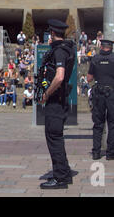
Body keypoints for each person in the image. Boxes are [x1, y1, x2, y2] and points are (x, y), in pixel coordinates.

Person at [38, 19, 75, 189]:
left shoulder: (59, 51)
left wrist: (46, 94)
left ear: (52, 34)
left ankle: (60, 178)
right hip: (60, 100)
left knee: (54, 138)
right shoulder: (67, 49)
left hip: (55, 101)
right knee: (57, 138)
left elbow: (59, 77)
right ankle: (64, 173)